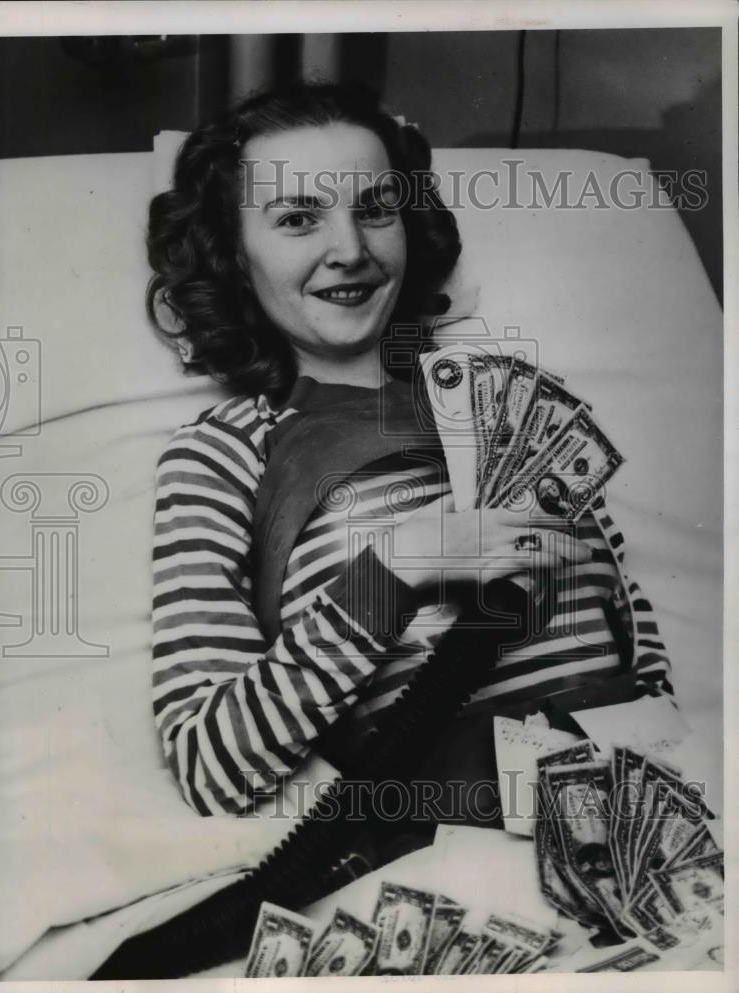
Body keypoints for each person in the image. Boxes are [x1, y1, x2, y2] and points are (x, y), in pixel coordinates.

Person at [146, 82, 674, 840]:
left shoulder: (517, 410)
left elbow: (643, 656)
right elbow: (211, 767)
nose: (351, 250)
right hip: (447, 857)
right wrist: (397, 568)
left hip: (640, 828)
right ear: (233, 255)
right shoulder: (224, 454)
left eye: (375, 209)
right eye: (298, 218)